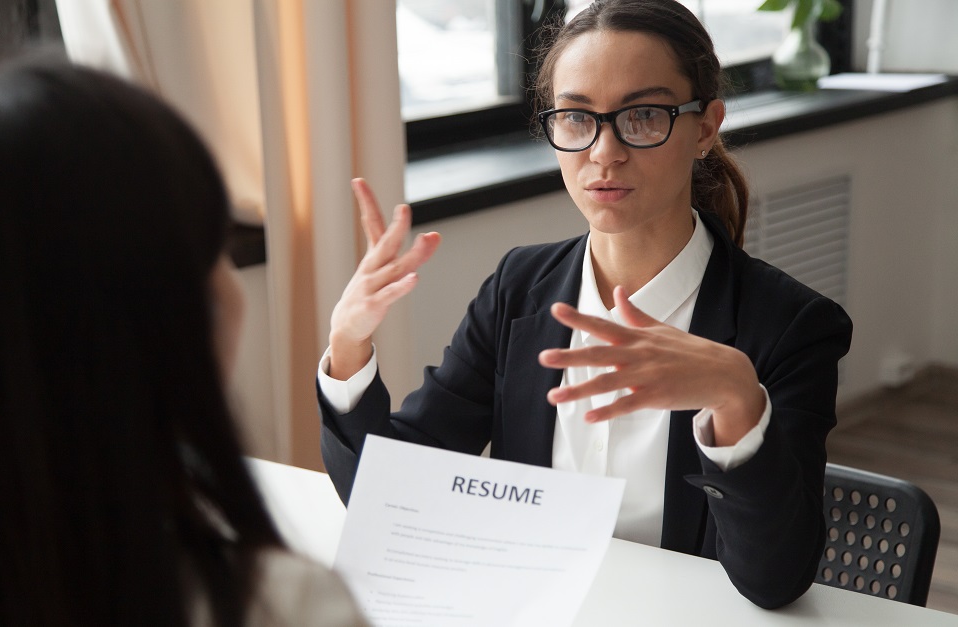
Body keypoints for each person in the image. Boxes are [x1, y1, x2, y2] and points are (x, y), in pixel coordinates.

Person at [317, 0, 853, 611]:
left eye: (644, 115)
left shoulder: (790, 326)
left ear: (706, 128)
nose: (604, 152)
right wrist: (348, 345)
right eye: (576, 118)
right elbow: (390, 493)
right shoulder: (519, 289)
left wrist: (736, 397)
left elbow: (775, 581)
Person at [0, 60, 368, 626]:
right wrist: (349, 350)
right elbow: (393, 462)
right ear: (159, 318)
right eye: (214, 250)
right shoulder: (279, 605)